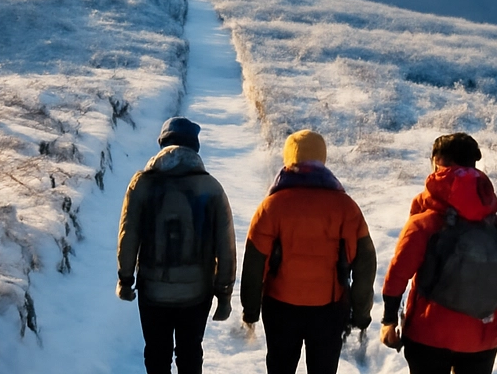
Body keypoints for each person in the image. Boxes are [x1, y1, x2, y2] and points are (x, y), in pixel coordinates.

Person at [380, 133, 497, 374]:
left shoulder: (425, 224)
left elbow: (398, 274)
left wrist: (389, 320)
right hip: (483, 337)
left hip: (430, 333)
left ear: (436, 162)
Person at [240, 130, 377, 374]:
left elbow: (254, 261)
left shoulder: (272, 206)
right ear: (322, 157)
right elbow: (365, 263)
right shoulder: (345, 206)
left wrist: (250, 310)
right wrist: (361, 312)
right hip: (329, 309)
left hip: (280, 307)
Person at [117, 117, 237, 374]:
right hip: (196, 293)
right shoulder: (212, 188)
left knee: (156, 354)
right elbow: (225, 247)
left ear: (162, 144)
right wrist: (224, 294)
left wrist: (125, 280)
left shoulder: (142, 184)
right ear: (195, 147)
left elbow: (128, 235)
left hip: (153, 290)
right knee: (190, 352)